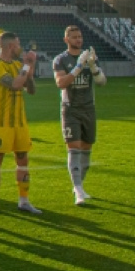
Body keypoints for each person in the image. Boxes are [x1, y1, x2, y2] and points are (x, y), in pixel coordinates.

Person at [0, 31, 40, 215]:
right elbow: (15, 84)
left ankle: (24, 201)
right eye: (17, 44)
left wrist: (30, 71)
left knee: (23, 159)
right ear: (10, 46)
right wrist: (26, 67)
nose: (19, 47)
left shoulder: (18, 65)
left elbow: (31, 90)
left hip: (20, 123)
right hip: (1, 122)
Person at [53, 26, 106, 205]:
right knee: (73, 148)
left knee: (86, 151)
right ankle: (78, 190)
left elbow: (102, 82)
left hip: (89, 109)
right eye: (74, 37)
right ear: (66, 39)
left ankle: (79, 186)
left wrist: (92, 66)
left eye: (80, 36)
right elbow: (61, 83)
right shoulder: (60, 60)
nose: (78, 40)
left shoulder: (89, 57)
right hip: (71, 109)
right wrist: (78, 67)